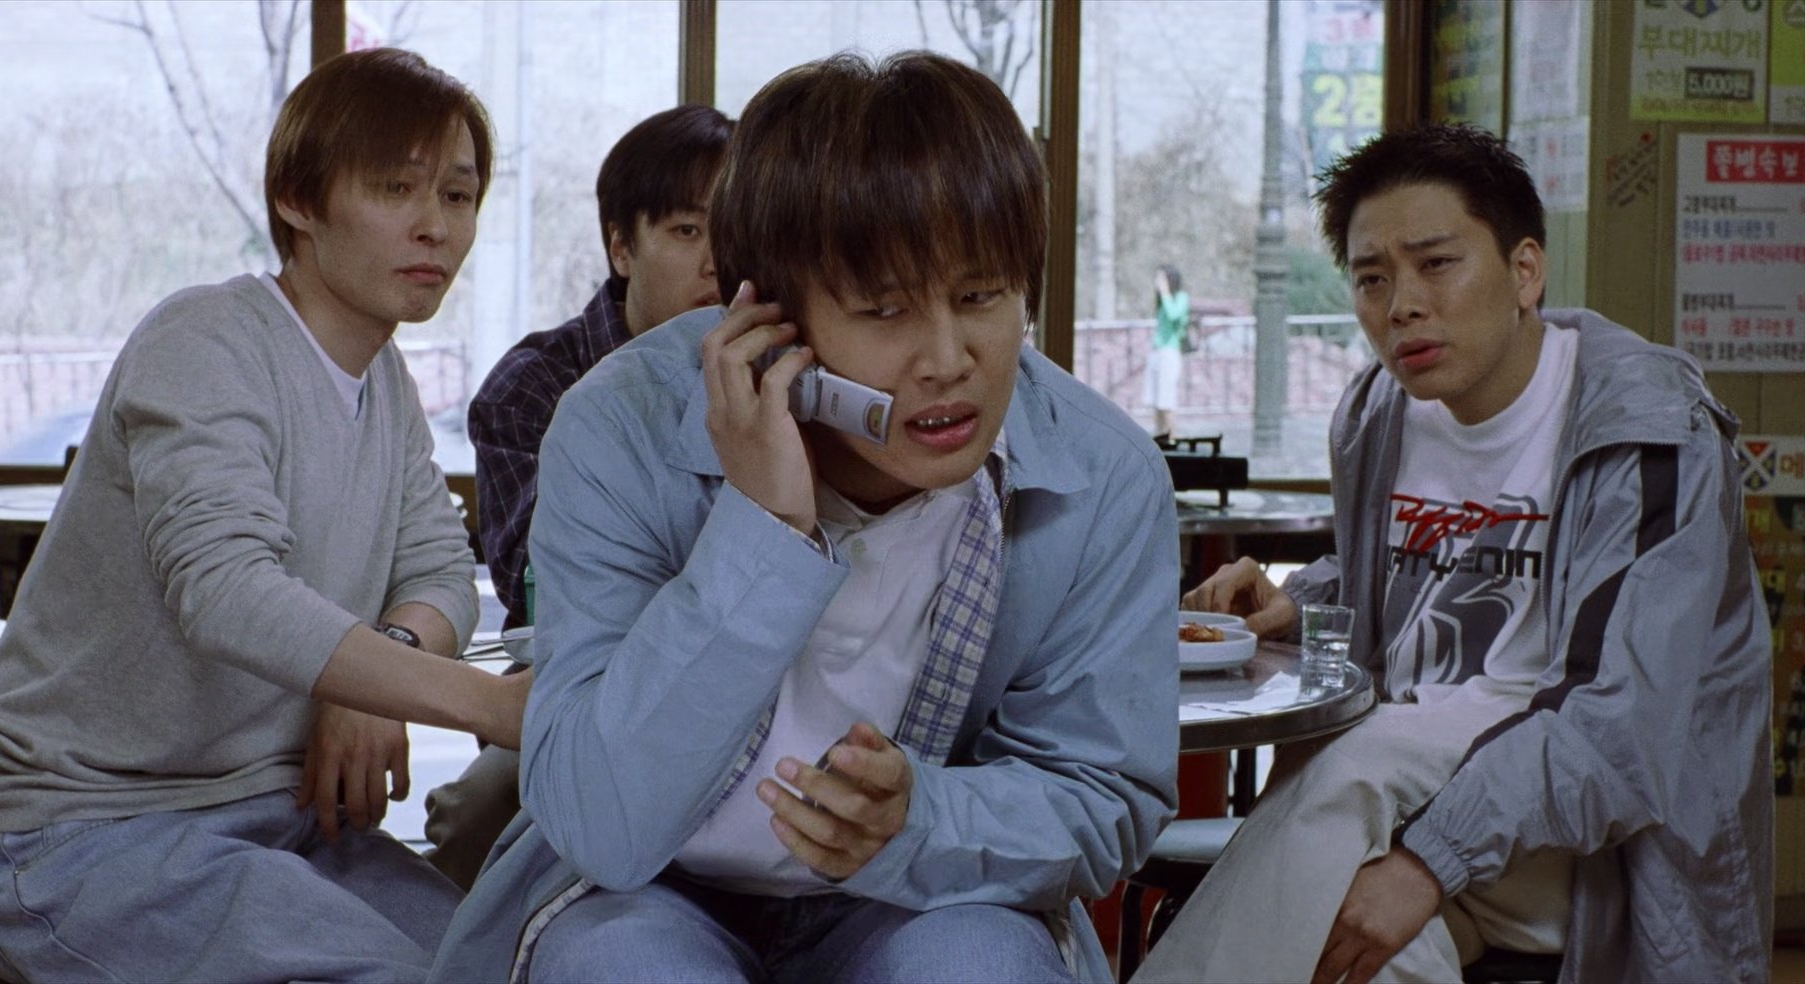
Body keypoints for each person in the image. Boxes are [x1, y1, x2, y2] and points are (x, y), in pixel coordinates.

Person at [427, 51, 1178, 984]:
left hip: (926, 894)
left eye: (981, 296)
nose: (949, 359)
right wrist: (765, 530)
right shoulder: (617, 428)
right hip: (650, 884)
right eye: (885, 310)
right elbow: (599, 821)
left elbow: (1100, 795)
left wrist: (920, 822)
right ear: (769, 318)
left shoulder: (1100, 473)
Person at [1136, 123, 1772, 984]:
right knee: (1356, 954)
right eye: (1371, 278)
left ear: (1525, 271)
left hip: (1574, 837)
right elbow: (1423, 584)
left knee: (1349, 763)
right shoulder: (1383, 412)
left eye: (1436, 264)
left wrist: (1427, 862)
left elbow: (1619, 730)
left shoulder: (1647, 430)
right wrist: (1304, 602)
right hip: (1407, 813)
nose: (1401, 305)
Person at [0, 48, 533, 983]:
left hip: (283, 820)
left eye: (457, 196)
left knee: (510, 963)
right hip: (79, 831)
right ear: (298, 200)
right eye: (396, 188)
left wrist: (371, 674)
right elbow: (222, 590)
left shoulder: (384, 380)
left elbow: (436, 570)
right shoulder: (207, 336)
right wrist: (491, 705)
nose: (436, 226)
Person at [423, 104, 734, 890]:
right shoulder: (537, 386)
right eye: (688, 231)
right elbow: (540, 583)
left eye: (738, 232)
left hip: (747, 689)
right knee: (480, 811)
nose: (718, 263)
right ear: (621, 246)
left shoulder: (785, 367)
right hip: (582, 692)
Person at [1149, 264, 1189, 436]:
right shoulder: (1161, 300)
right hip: (1157, 351)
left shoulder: (1180, 298)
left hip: (1169, 352)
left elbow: (1174, 315)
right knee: (1156, 401)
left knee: (1166, 400)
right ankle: (1159, 435)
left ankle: (1171, 436)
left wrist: (1165, 293)